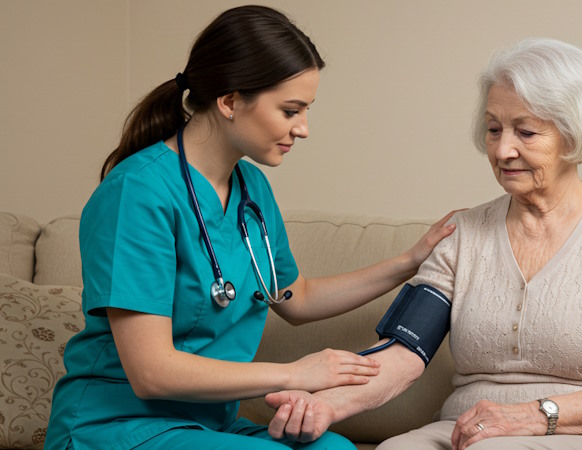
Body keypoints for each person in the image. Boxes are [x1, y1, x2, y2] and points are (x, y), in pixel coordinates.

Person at [43, 5, 456, 450]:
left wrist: (408, 262)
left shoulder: (251, 187)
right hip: (116, 424)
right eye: (290, 110)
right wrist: (296, 372)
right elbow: (151, 372)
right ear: (230, 101)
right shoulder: (137, 194)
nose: (303, 129)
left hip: (209, 423)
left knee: (336, 448)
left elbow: (297, 297)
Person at [263, 38, 582, 450]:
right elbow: (404, 354)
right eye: (493, 129)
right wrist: (326, 405)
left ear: (572, 135)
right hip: (470, 428)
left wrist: (528, 417)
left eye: (526, 132)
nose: (502, 149)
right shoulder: (463, 233)